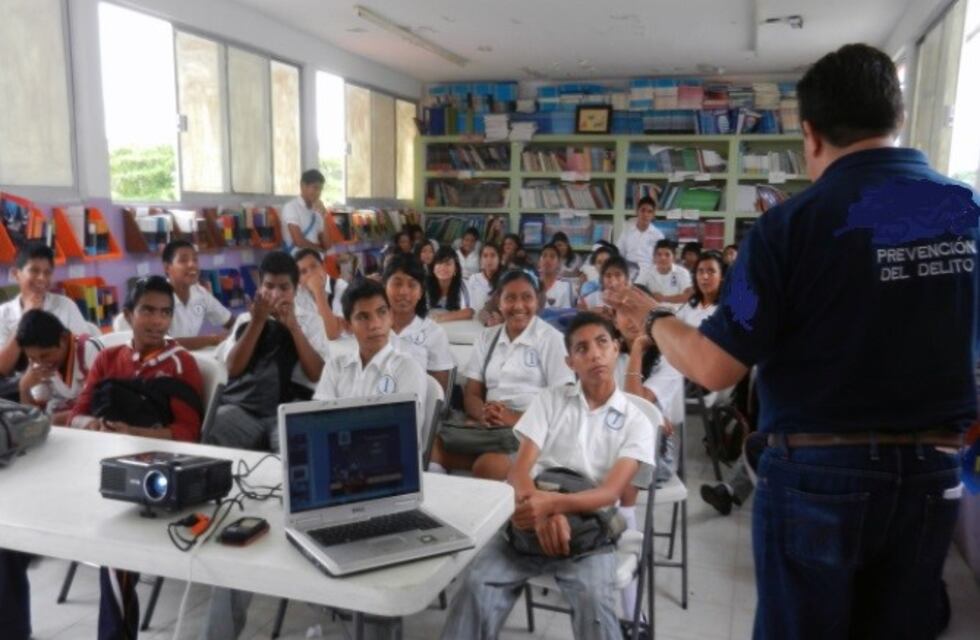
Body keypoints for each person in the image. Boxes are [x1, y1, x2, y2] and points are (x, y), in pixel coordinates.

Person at [607, 43, 979, 640]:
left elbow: (714, 365)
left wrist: (652, 319)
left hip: (817, 475)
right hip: (932, 475)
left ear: (809, 134)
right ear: (898, 117)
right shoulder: (966, 212)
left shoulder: (787, 229)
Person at [439, 312, 655, 640]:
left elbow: (610, 493)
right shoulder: (551, 400)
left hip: (589, 529)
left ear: (616, 348)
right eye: (582, 349)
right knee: (474, 585)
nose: (594, 354)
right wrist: (539, 514)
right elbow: (520, 470)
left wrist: (552, 506)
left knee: (595, 602)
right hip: (530, 515)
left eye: (602, 343)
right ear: (570, 362)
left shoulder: (635, 420)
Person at [68, 275, 203, 640]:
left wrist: (133, 434)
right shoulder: (108, 359)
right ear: (129, 313)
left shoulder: (181, 364)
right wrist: (95, 425)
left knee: (113, 548)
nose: (157, 321)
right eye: (147, 310)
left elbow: (188, 435)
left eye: (164, 313)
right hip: (97, 464)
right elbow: (75, 415)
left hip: (154, 473)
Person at [429, 270, 574, 480]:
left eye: (526, 297)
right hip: (489, 425)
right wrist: (484, 414)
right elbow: (472, 393)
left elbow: (560, 406)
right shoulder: (487, 338)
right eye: (510, 298)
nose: (518, 306)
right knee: (433, 447)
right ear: (499, 301)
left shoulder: (551, 339)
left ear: (537, 301)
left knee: (488, 466)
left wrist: (511, 418)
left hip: (530, 430)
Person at [206, 251, 327, 452]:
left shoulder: (311, 321)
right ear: (260, 287)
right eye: (269, 286)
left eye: (284, 287)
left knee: (292, 446)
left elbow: (315, 373)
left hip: (289, 408)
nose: (275, 294)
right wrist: (258, 321)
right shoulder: (247, 320)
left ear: (295, 289)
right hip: (246, 409)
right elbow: (233, 368)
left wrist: (293, 327)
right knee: (215, 424)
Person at [314, 279, 428, 430]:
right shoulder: (335, 367)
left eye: (381, 312)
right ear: (348, 326)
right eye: (363, 317)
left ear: (391, 316)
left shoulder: (407, 368)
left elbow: (406, 433)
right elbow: (320, 424)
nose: (375, 325)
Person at [0, 244, 90, 378]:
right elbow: (2, 369)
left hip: (65, 386)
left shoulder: (65, 306)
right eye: (34, 271)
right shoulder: (3, 313)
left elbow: (85, 354)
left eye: (47, 272)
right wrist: (26, 317)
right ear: (16, 274)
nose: (42, 278)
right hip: (20, 390)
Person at [15, 310, 103, 425]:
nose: (41, 363)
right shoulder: (36, 366)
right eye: (32, 358)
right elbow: (34, 417)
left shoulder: (88, 349)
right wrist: (24, 388)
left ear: (64, 338)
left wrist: (54, 420)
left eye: (45, 355)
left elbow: (104, 403)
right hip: (61, 426)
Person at [384, 254, 455, 392]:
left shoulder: (433, 333)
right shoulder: (372, 327)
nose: (404, 291)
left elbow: (438, 394)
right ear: (384, 286)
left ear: (421, 292)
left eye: (412, 285)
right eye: (397, 283)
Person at [161, 239, 234, 349]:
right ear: (167, 268)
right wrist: (210, 340)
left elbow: (231, 322)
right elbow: (161, 344)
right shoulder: (158, 297)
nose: (192, 265)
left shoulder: (200, 293)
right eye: (183, 260)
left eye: (195, 259)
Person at [294, 248, 347, 340]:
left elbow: (332, 333)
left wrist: (318, 291)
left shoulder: (342, 288)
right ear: (298, 279)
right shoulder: (298, 294)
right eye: (303, 272)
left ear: (323, 266)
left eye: (314, 266)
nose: (311, 274)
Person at [280, 169, 330, 255]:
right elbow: (299, 241)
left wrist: (324, 216)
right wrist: (320, 251)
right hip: (296, 260)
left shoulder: (317, 212)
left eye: (320, 189)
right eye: (315, 188)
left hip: (315, 258)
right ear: (303, 186)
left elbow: (328, 245)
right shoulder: (291, 207)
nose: (318, 193)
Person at [635, 240, 693, 309]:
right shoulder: (646, 272)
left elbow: (688, 296)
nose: (663, 258)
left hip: (677, 313)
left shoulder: (682, 272)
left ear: (674, 258)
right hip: (652, 312)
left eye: (667, 255)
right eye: (659, 254)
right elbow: (635, 291)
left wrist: (664, 298)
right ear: (654, 257)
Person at [676, 250, 725, 328]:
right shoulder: (692, 303)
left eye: (711, 271)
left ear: (722, 276)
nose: (704, 276)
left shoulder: (727, 309)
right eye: (700, 271)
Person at [615, 196, 663, 272]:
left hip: (649, 273)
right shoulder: (627, 231)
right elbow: (619, 253)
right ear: (637, 212)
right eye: (642, 210)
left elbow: (660, 260)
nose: (645, 214)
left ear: (653, 215)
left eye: (649, 211)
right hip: (628, 272)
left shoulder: (658, 236)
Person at [426, 245, 474, 322]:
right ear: (433, 268)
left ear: (456, 269)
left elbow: (469, 312)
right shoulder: (424, 285)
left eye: (448, 264)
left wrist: (441, 318)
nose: (443, 267)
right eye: (439, 263)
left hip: (455, 326)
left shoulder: (463, 285)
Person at [468, 242, 503, 316]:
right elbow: (468, 304)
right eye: (485, 256)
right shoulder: (474, 278)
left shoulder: (505, 279)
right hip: (475, 320)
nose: (489, 259)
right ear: (480, 260)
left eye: (493, 255)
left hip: (497, 321)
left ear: (499, 258)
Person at [538, 243, 576, 309]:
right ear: (539, 262)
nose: (547, 260)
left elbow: (568, 314)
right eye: (544, 256)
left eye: (552, 256)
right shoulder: (531, 284)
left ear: (558, 263)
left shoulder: (566, 286)